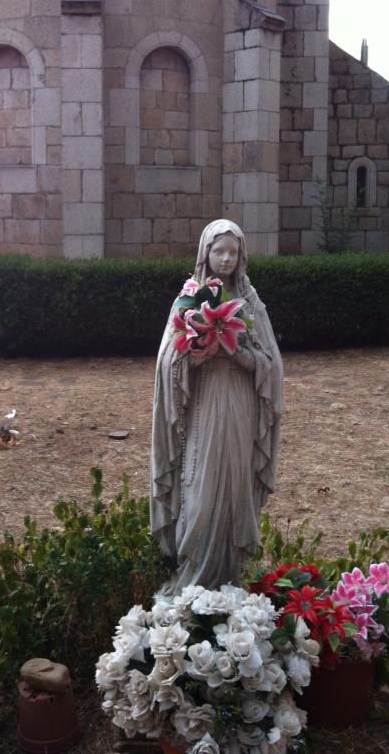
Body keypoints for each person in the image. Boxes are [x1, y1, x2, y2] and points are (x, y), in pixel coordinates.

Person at [150, 219, 284, 592]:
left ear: (242, 256)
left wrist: (241, 355)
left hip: (240, 402)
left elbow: (271, 364)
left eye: (233, 252)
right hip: (204, 402)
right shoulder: (190, 298)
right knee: (200, 488)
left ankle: (230, 576)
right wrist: (200, 352)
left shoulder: (251, 304)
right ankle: (194, 577)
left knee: (235, 485)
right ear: (205, 253)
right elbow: (167, 361)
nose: (226, 259)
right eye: (219, 251)